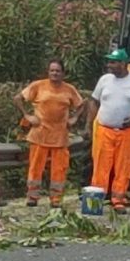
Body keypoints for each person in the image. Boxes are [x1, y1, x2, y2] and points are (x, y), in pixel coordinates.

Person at [83, 48, 130, 214]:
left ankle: (118, 200)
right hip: (104, 129)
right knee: (101, 165)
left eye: (113, 62)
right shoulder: (105, 80)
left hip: (127, 132)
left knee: (123, 166)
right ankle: (96, 200)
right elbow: (93, 102)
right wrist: (88, 125)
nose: (109, 65)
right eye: (109, 62)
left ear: (123, 63)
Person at [12, 59, 84, 208]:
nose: (54, 73)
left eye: (57, 71)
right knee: (35, 167)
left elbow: (82, 104)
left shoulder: (69, 89)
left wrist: (74, 118)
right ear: (48, 72)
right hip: (40, 133)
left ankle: (56, 198)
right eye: (52, 70)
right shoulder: (38, 86)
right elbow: (18, 98)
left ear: (63, 73)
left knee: (59, 169)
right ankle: (32, 197)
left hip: (60, 135)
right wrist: (27, 115)